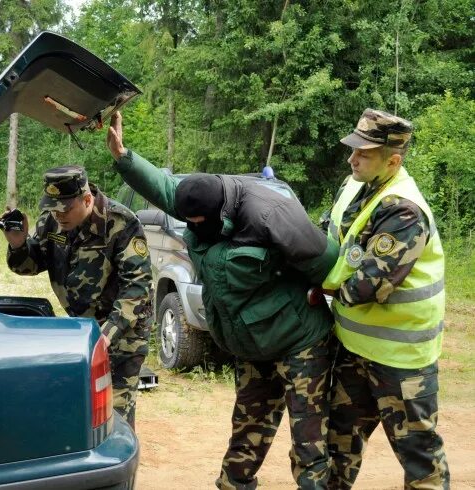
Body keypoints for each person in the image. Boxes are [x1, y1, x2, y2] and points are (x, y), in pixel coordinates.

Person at [106, 111, 338, 489]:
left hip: (299, 343)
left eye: (198, 222)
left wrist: (324, 292)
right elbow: (164, 189)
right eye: (188, 221)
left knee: (309, 443)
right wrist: (123, 156)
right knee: (246, 434)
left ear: (220, 213)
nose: (192, 228)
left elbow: (327, 265)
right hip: (249, 346)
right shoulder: (198, 205)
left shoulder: (271, 214)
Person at [322, 109, 449, 489]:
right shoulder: (354, 186)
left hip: (401, 362)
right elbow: (327, 237)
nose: (351, 159)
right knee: (336, 449)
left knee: (420, 458)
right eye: (352, 150)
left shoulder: (404, 210)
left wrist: (315, 286)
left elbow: (369, 286)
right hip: (354, 349)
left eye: (363, 153)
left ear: (393, 160)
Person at [2, 165, 153, 430]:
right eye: (53, 208)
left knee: (114, 415)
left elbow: (137, 286)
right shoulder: (51, 221)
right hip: (82, 331)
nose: (59, 215)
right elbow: (31, 265)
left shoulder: (120, 223)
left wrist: (106, 335)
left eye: (65, 208)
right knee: (84, 409)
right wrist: (18, 243)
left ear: (86, 199)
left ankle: (117, 467)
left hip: (122, 334)